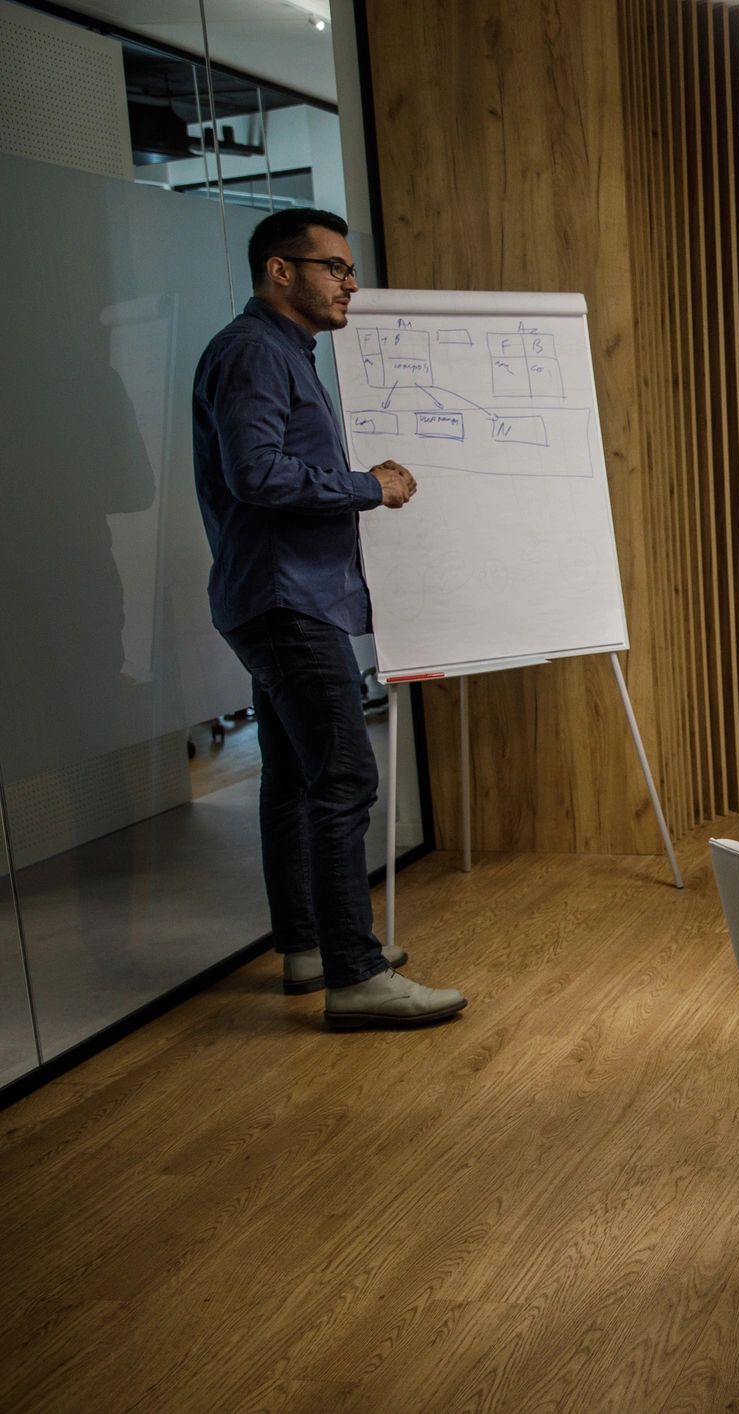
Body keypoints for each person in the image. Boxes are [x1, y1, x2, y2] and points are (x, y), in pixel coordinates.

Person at [192, 208, 465, 1027]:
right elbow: (259, 474)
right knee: (345, 774)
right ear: (280, 271)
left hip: (280, 596)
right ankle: (354, 974)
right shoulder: (253, 352)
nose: (349, 283)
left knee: (295, 777)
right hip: (284, 599)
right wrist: (365, 485)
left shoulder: (278, 352)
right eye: (334, 268)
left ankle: (309, 945)